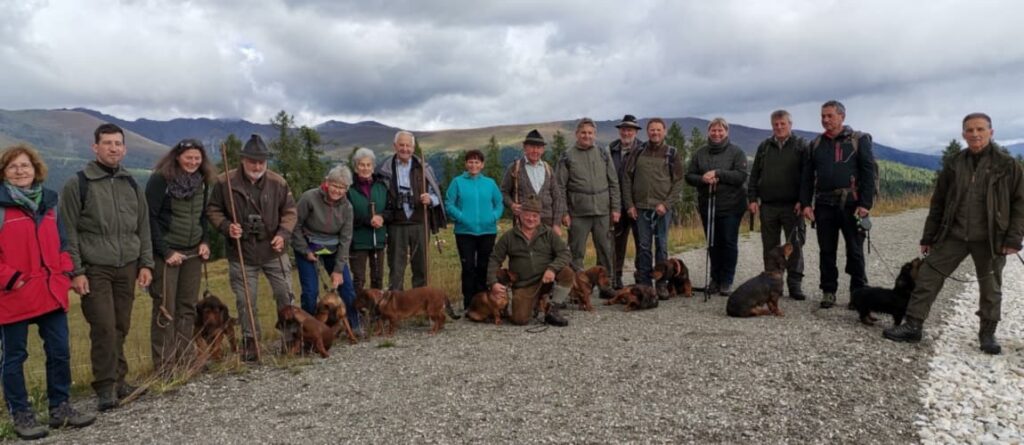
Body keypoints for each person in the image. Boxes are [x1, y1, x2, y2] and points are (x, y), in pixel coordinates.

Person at [884, 113, 1024, 354]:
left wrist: (1013, 239)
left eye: (980, 129)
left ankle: (987, 334)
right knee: (928, 277)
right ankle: (913, 325)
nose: (975, 134)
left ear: (991, 132)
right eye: (969, 130)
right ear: (963, 134)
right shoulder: (955, 163)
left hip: (990, 238)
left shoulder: (1007, 165)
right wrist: (928, 237)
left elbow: (1020, 203)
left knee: (991, 288)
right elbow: (938, 202)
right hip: (953, 235)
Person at [0, 145, 95, 440]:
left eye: (25, 165)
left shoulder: (49, 203)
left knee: (59, 351)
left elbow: (63, 243)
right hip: (13, 294)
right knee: (14, 357)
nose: (20, 171)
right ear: (4, 172)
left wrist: (66, 270)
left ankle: (60, 408)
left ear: (36, 168)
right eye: (13, 166)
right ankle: (22, 414)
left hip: (50, 291)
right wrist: (10, 278)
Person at [61, 123, 154, 411]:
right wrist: (76, 270)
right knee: (103, 327)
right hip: (95, 266)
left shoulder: (131, 184)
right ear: (95, 147)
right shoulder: (79, 183)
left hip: (127, 265)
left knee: (121, 325)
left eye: (118, 143)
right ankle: (104, 387)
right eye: (107, 143)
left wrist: (146, 263)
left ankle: (120, 381)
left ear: (124, 148)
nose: (113, 148)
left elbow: (143, 226)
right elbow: (68, 230)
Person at [206, 134, 297, 361]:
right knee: (246, 300)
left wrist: (283, 234)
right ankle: (251, 342)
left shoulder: (278, 183)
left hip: (273, 251)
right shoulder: (224, 182)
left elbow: (290, 212)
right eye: (252, 161)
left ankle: (291, 338)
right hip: (241, 252)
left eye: (261, 162)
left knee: (285, 294)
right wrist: (227, 227)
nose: (257, 166)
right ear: (243, 160)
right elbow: (213, 210)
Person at [145, 139, 214, 375]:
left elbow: (203, 217)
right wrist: (165, 252)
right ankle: (165, 367)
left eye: (197, 158)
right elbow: (149, 218)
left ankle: (185, 361)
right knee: (166, 308)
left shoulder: (203, 182)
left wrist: (205, 241)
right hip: (167, 254)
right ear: (177, 156)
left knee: (187, 307)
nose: (193, 162)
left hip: (193, 252)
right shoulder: (160, 180)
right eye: (189, 157)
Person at [800, 100, 875, 309]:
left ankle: (858, 293)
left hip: (852, 204)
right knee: (826, 250)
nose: (825, 120)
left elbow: (869, 173)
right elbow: (807, 176)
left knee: (855, 250)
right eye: (823, 116)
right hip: (823, 204)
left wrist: (865, 203)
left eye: (830, 116)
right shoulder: (815, 144)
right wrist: (806, 203)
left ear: (842, 116)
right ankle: (828, 291)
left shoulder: (859, 140)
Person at [748, 110, 808, 300]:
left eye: (783, 124)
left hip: (793, 206)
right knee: (770, 247)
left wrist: (804, 201)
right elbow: (754, 175)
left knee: (795, 246)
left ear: (790, 124)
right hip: (768, 206)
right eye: (776, 124)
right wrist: (752, 199)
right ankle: (771, 284)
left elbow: (808, 176)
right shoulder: (764, 147)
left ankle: (794, 284)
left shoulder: (800, 146)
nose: (779, 127)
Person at [685, 117, 748, 295]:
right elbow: (690, 176)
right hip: (708, 205)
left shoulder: (737, 152)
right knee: (713, 243)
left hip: (731, 206)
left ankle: (726, 280)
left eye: (720, 130)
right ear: (709, 132)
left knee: (728, 242)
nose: (717, 133)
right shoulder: (700, 153)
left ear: (726, 132)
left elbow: (741, 176)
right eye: (714, 130)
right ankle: (715, 278)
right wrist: (703, 179)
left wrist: (719, 174)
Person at [375, 130, 446, 290]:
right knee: (396, 266)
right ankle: (396, 305)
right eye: (401, 145)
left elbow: (436, 194)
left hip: (420, 222)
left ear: (413, 148)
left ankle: (419, 303)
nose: (405, 149)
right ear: (395, 146)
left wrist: (430, 199)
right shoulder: (385, 169)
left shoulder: (424, 167)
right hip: (396, 223)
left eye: (408, 145)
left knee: (421, 265)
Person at [292, 165, 359, 331]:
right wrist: (304, 250)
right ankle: (307, 330)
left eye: (342, 188)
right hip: (307, 247)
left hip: (334, 249)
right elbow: (295, 225)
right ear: (327, 182)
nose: (337, 190)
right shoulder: (309, 198)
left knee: (347, 287)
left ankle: (355, 325)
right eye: (335, 185)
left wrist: (338, 269)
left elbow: (346, 238)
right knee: (310, 291)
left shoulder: (347, 208)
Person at [487, 197, 570, 326]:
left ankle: (552, 309)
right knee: (519, 320)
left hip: (546, 278)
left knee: (567, 273)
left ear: (540, 216)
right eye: (527, 215)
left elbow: (564, 253)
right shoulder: (509, 237)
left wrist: (552, 269)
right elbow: (494, 259)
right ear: (520, 215)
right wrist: (493, 283)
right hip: (524, 284)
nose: (531, 219)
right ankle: (535, 303)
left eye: (535, 216)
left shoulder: (548, 233)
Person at [556, 118, 620, 287]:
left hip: (602, 211)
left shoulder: (603, 153)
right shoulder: (567, 156)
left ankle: (606, 286)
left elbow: (613, 182)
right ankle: (578, 288)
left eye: (590, 133)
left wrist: (616, 208)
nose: (587, 136)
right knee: (576, 253)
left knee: (605, 251)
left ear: (595, 134)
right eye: (583, 132)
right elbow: (560, 187)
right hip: (578, 213)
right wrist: (563, 213)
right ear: (577, 134)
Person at [622, 118, 684, 288]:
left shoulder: (672, 153)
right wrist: (629, 204)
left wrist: (666, 204)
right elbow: (627, 178)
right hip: (641, 208)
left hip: (662, 209)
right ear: (647, 132)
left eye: (658, 130)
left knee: (662, 246)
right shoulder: (638, 151)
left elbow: (678, 181)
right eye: (652, 130)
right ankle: (644, 283)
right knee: (643, 246)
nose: (655, 133)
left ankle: (662, 283)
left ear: (664, 131)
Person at [446, 149, 504, 310]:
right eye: (470, 162)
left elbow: (499, 203)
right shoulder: (457, 182)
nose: (473, 165)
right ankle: (469, 302)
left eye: (477, 162)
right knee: (468, 267)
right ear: (466, 164)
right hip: (464, 232)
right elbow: (449, 203)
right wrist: (462, 217)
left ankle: (483, 300)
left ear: (482, 165)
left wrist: (493, 217)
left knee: (484, 266)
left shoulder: (490, 183)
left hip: (488, 231)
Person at [500, 129, 564, 236]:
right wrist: (511, 205)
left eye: (538, 147)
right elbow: (503, 192)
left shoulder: (548, 168)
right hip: (524, 220)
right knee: (524, 252)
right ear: (525, 148)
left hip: (547, 221)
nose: (535, 151)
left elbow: (557, 197)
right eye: (532, 147)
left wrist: (556, 224)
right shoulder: (514, 168)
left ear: (543, 150)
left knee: (547, 252)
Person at [609, 115, 644, 290]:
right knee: (617, 244)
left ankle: (640, 276)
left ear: (636, 132)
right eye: (623, 129)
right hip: (617, 205)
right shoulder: (611, 149)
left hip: (638, 205)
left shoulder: (644, 149)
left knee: (641, 242)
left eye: (630, 129)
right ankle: (616, 276)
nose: (626, 132)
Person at [347, 147, 389, 290]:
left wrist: (382, 217)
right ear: (356, 166)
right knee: (359, 279)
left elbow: (390, 209)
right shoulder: (349, 188)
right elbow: (345, 215)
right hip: (358, 241)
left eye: (368, 165)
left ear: (373, 166)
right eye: (361, 165)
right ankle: (358, 311)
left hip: (379, 238)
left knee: (377, 278)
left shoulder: (382, 185)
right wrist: (367, 220)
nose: (365, 168)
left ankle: (377, 310)